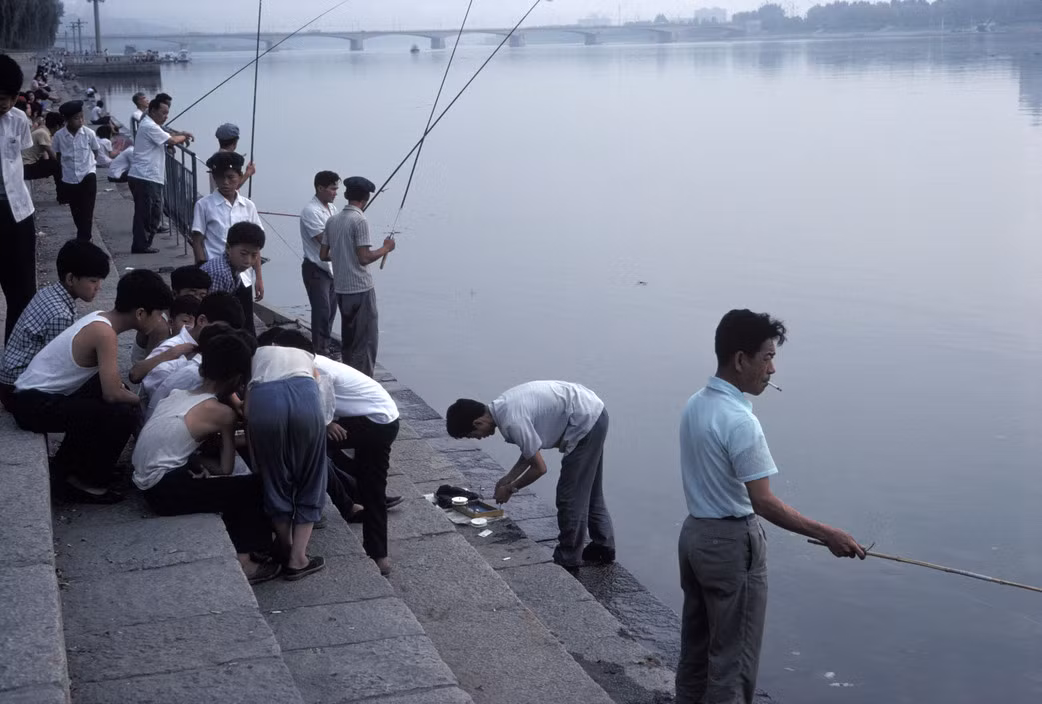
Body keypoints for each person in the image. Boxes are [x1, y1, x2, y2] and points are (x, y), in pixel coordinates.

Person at [675, 310, 866, 704]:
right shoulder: (740, 421)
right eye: (767, 357)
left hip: (694, 536)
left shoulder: (696, 403)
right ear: (741, 359)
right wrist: (828, 533)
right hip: (730, 545)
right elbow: (763, 503)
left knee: (696, 651)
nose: (772, 368)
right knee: (733, 662)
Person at [9, 269, 174, 503]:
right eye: (158, 315)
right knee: (123, 412)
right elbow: (111, 394)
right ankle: (87, 482)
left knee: (109, 394)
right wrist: (145, 402)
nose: (160, 321)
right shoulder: (104, 334)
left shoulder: (101, 319)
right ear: (140, 313)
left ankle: (76, 465)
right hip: (34, 405)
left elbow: (109, 384)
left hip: (31, 398)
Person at [132, 326, 281, 585]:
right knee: (252, 487)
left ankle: (252, 547)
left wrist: (197, 462)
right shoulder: (222, 414)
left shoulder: (179, 396)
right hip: (163, 491)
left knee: (229, 488)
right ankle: (248, 562)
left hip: (148, 480)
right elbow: (226, 468)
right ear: (237, 378)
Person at [261, 327, 401, 575]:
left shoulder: (316, 368)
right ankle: (379, 556)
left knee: (305, 450)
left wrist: (327, 423)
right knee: (372, 487)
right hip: (386, 418)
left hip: (372, 420)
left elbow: (317, 405)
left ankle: (305, 517)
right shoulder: (313, 362)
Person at [446, 381, 615, 571]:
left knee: (570, 496)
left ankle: (568, 557)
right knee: (589, 490)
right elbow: (530, 451)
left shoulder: (511, 421)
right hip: (593, 412)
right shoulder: (503, 407)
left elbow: (540, 468)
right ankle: (603, 546)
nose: (478, 438)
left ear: (478, 422)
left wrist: (511, 488)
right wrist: (507, 478)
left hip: (586, 421)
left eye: (473, 434)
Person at [249, 328, 329, 580]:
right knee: (312, 475)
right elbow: (324, 406)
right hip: (304, 393)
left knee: (274, 478)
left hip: (264, 400)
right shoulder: (307, 358)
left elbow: (248, 409)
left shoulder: (258, 355)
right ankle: (298, 558)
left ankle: (284, 546)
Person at [0, 239, 110, 408]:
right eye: (93, 281)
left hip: (11, 380)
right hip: (19, 390)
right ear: (71, 279)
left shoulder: (49, 292)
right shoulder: (60, 315)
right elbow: (62, 364)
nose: (98, 287)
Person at [320, 176, 395, 377]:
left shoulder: (332, 220)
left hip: (341, 289)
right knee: (366, 343)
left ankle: (350, 379)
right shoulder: (360, 220)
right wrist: (386, 248)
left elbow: (323, 254)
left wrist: (343, 253)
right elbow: (364, 258)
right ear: (366, 198)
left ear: (346, 195)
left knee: (349, 340)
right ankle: (365, 385)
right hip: (361, 289)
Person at [135, 290, 245, 399]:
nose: (226, 339)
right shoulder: (172, 347)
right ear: (202, 320)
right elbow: (148, 390)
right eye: (222, 331)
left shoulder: (216, 349)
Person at [0, 54, 38, 343]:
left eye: (10, 98)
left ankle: (14, 357)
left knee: (23, 291)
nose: (5, 104)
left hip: (18, 213)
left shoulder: (18, 120)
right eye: (1, 97)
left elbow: (20, 158)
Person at [127, 96, 193, 254]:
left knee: (154, 211)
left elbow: (168, 138)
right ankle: (140, 245)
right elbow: (170, 140)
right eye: (163, 113)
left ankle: (144, 243)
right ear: (153, 111)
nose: (166, 116)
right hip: (145, 176)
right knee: (146, 213)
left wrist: (179, 135)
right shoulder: (150, 126)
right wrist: (185, 136)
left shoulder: (151, 125)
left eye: (167, 113)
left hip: (150, 176)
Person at [130, 265, 212, 366]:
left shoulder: (194, 313)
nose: (197, 299)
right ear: (174, 294)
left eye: (202, 296)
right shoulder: (160, 325)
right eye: (192, 294)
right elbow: (152, 366)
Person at [199, 220, 264, 337]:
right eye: (243, 253)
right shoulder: (221, 273)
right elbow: (213, 311)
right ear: (228, 248)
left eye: (254, 255)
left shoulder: (233, 269)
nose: (248, 261)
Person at [300, 170, 340, 358]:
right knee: (321, 310)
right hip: (316, 269)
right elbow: (323, 240)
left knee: (331, 311)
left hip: (332, 269)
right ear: (320, 188)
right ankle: (319, 351)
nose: (335, 193)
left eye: (336, 189)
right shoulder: (310, 211)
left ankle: (324, 347)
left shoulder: (332, 209)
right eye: (332, 189)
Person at [52, 101, 101, 241]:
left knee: (87, 210)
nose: (80, 121)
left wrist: (89, 164)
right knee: (76, 210)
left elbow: (95, 151)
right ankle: (84, 236)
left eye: (81, 117)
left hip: (88, 174)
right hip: (69, 178)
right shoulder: (59, 136)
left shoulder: (89, 133)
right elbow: (58, 155)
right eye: (76, 118)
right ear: (67, 120)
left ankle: (84, 239)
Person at [205, 123, 255, 193]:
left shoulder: (216, 157)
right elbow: (233, 185)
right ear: (235, 142)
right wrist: (248, 173)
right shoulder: (224, 159)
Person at [22, 111, 63, 187]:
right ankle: (62, 193)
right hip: (25, 168)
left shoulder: (43, 130)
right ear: (57, 127)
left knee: (55, 163)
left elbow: (45, 153)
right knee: (58, 166)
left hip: (26, 165)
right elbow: (54, 156)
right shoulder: (43, 133)